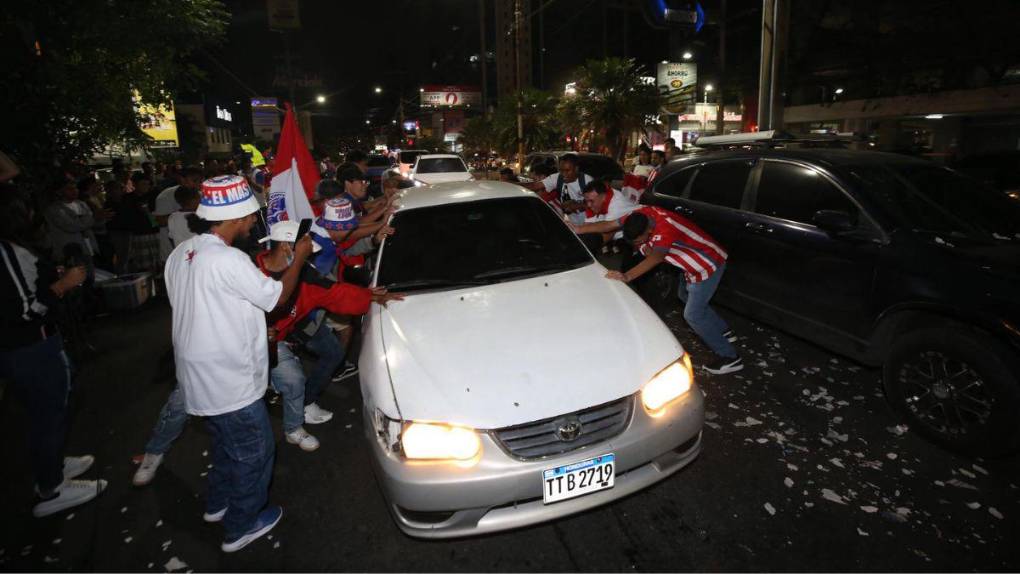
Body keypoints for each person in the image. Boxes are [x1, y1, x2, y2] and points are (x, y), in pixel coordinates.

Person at [164, 174, 312, 552]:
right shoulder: (228, 259)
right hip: (229, 376)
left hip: (196, 375)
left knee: (226, 445)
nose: (253, 223)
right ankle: (241, 525)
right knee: (255, 449)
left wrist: (278, 261)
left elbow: (222, 297)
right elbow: (277, 299)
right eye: (251, 217)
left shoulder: (182, 253)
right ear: (238, 217)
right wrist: (300, 260)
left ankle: (219, 504)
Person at [0, 187, 107, 518]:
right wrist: (64, 284)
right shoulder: (4, 250)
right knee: (47, 413)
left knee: (46, 411)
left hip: (28, 347)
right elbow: (23, 310)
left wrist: (53, 278)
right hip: (30, 347)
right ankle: (52, 488)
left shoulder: (14, 248)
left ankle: (53, 466)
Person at [255, 221, 403, 450]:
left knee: (333, 352)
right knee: (293, 380)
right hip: (258, 338)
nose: (309, 258)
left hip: (295, 324)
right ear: (286, 248)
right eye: (304, 252)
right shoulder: (247, 272)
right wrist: (254, 328)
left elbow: (334, 293)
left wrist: (369, 296)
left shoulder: (305, 273)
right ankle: (293, 428)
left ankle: (306, 400)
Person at [570, 205, 743, 375]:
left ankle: (730, 357)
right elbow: (609, 225)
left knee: (693, 314)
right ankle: (723, 330)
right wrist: (579, 228)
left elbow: (655, 258)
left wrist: (627, 276)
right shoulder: (639, 215)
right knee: (684, 295)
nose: (637, 245)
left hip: (707, 264)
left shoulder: (665, 229)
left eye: (639, 241)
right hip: (689, 265)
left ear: (649, 232)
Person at [44, 173, 102, 271]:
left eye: (75, 188)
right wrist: (93, 218)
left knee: (91, 275)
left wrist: (99, 218)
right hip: (70, 252)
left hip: (88, 247)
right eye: (69, 189)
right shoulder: (54, 209)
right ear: (59, 192)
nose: (74, 191)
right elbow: (72, 226)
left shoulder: (81, 204)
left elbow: (91, 223)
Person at [153, 166, 203, 264]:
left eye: (199, 181)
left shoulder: (200, 194)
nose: (198, 184)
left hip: (197, 251)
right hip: (172, 251)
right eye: (194, 180)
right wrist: (184, 213)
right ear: (182, 179)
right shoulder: (165, 196)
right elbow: (160, 221)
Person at [525, 154, 590, 224]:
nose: (564, 174)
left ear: (576, 169)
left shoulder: (587, 181)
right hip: (573, 226)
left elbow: (597, 203)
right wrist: (512, 185)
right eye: (561, 170)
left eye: (567, 170)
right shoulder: (558, 178)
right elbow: (534, 186)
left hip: (590, 224)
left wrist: (577, 205)